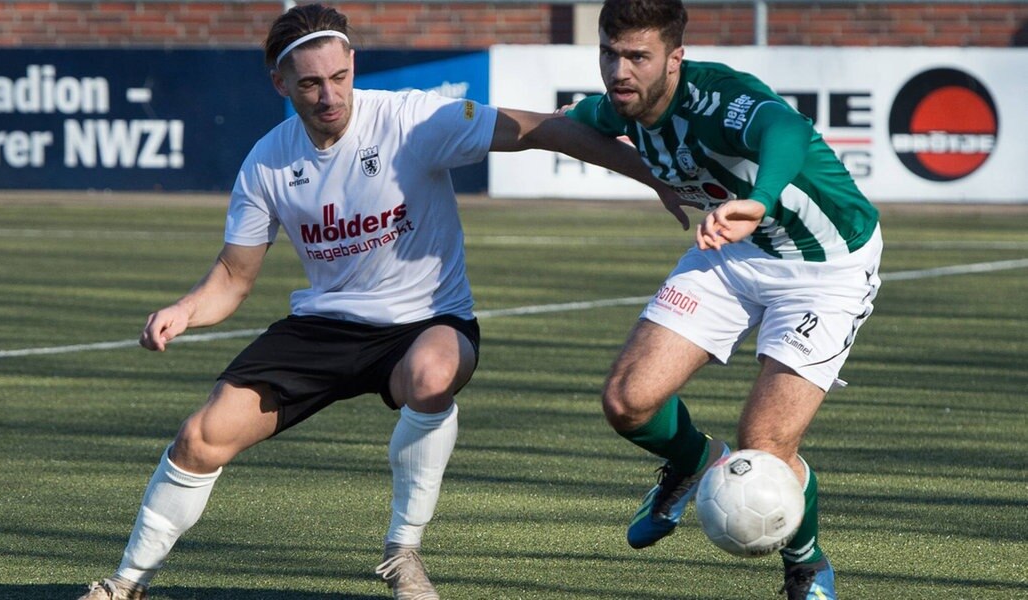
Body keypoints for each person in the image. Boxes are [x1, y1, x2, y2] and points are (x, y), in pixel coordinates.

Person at [76, 4, 681, 600]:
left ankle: (402, 553)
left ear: (352, 65)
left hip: (426, 323)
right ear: (280, 83)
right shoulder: (266, 162)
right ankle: (125, 583)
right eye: (310, 84)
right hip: (323, 328)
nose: (329, 96)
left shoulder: (414, 119)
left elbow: (542, 128)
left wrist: (654, 176)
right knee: (201, 437)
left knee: (431, 374)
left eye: (339, 78)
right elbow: (233, 278)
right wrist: (185, 309)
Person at [561, 2, 882, 599]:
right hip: (732, 256)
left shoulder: (718, 97)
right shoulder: (619, 106)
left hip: (826, 266)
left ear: (674, 59)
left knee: (766, 444)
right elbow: (575, 123)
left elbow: (785, 129)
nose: (620, 70)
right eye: (610, 53)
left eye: (638, 56)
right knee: (627, 402)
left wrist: (759, 197)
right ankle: (693, 461)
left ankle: (805, 561)